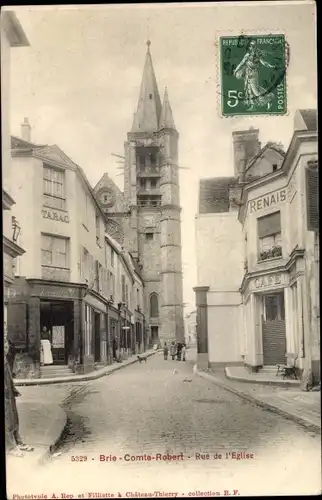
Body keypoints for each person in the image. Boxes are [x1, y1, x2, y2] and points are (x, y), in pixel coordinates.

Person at [4, 335, 34, 456]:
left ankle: (17, 442)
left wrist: (13, 389)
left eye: (6, 345)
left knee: (14, 417)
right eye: (4, 346)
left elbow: (9, 378)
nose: (5, 348)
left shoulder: (6, 359)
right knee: (7, 419)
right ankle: (10, 446)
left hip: (9, 392)